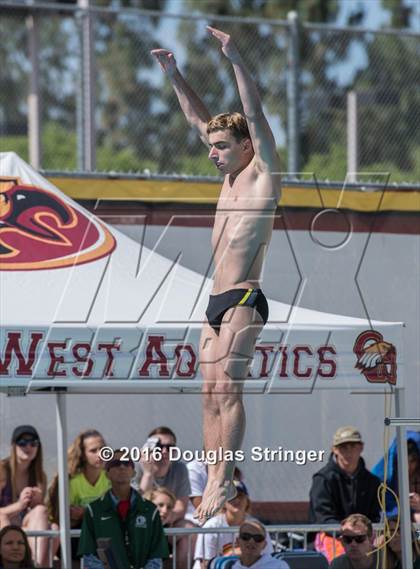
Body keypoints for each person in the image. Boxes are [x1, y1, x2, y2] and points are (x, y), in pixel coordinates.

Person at [151, 25, 281, 522]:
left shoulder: (262, 175)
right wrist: (175, 74)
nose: (213, 153)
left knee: (228, 388)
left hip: (246, 297)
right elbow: (196, 119)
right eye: (213, 147)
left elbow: (253, 111)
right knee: (208, 394)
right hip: (213, 303)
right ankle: (211, 478)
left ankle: (226, 478)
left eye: (223, 146)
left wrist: (234, 57)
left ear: (247, 145)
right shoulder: (227, 180)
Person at [78, 449, 169, 569]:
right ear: (107, 474)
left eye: (126, 463)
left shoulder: (150, 510)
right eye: (115, 464)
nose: (121, 466)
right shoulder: (93, 510)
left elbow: (156, 556)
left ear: (133, 472)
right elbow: (89, 555)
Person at [309, 426, 381, 562]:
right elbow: (323, 518)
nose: (348, 452)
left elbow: (375, 516)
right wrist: (349, 534)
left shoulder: (372, 481)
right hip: (333, 536)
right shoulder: (323, 479)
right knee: (341, 558)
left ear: (361, 447)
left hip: (364, 536)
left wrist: (361, 535)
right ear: (334, 449)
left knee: (384, 553)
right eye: (343, 447)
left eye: (353, 446)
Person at [47, 428, 110, 563]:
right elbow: (66, 517)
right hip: (74, 539)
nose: (101, 454)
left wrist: (85, 512)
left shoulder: (111, 478)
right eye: (93, 451)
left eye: (103, 448)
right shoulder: (72, 481)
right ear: (82, 455)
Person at [137, 426, 193, 567]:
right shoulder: (137, 467)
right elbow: (137, 505)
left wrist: (163, 517)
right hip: (140, 523)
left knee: (188, 530)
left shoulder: (179, 469)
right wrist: (148, 474)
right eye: (159, 446)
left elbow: (181, 507)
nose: (164, 451)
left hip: (167, 520)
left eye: (170, 447)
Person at [0, 426, 50, 567]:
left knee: (46, 518)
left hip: (22, 529)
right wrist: (20, 505)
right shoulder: (2, 470)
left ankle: (36, 565)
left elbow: (39, 516)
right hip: (4, 527)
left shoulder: (40, 476)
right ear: (13, 446)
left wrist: (37, 503)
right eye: (22, 442)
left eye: (33, 443)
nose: (28, 446)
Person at [193, 481, 272, 569]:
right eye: (231, 497)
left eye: (240, 496)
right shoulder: (211, 527)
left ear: (247, 501)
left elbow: (267, 558)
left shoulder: (257, 527)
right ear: (223, 501)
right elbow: (205, 564)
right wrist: (232, 555)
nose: (237, 500)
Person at [372, 430, 420, 522]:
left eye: (412, 461)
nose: (408, 467)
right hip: (392, 526)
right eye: (403, 460)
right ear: (395, 459)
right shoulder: (380, 476)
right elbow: (382, 508)